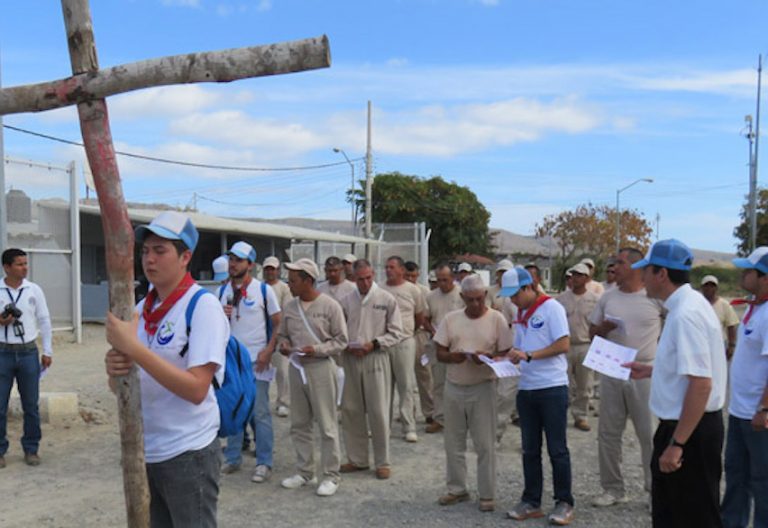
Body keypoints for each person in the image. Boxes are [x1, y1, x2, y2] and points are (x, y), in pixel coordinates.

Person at [105, 211, 228, 527]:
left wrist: (135, 350)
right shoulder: (138, 310)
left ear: (185, 256)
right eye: (146, 250)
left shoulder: (203, 307)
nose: (149, 259)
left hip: (189, 451)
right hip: (148, 451)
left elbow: (197, 389)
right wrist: (115, 370)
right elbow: (126, 385)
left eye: (160, 251)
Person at [625, 239, 727, 528]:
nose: (641, 277)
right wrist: (654, 371)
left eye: (646, 270)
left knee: (692, 517)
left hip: (688, 431)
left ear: (662, 274)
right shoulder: (690, 305)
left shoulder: (686, 315)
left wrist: (677, 443)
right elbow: (693, 370)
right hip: (688, 427)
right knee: (674, 513)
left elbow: (701, 384)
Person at [588, 247, 665, 507]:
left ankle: (656, 489)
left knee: (649, 433)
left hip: (644, 370)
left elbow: (673, 328)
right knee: (609, 433)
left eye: (619, 262)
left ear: (634, 266)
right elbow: (592, 333)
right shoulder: (607, 298)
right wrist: (602, 329)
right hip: (612, 367)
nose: (614, 267)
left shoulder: (654, 297)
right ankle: (612, 488)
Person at [502, 267, 574, 526]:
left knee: (557, 449)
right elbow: (523, 347)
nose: (511, 300)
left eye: (514, 294)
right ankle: (531, 500)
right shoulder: (521, 313)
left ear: (528, 287)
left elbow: (563, 344)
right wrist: (514, 353)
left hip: (552, 387)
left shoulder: (551, 308)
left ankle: (564, 501)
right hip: (527, 387)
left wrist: (530, 355)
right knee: (530, 449)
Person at [434, 274, 513, 513]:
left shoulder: (497, 319)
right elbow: (440, 353)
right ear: (462, 298)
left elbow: (507, 353)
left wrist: (487, 359)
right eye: (470, 300)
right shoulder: (451, 320)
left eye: (479, 299)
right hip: (454, 385)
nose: (476, 305)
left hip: (483, 386)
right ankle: (457, 488)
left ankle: (487, 493)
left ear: (486, 296)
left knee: (485, 443)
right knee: (453, 441)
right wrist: (455, 357)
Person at [277, 258, 348, 497]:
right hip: (296, 368)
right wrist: (284, 345)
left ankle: (330, 475)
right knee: (299, 423)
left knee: (327, 424)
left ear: (308, 280)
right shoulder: (289, 306)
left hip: (320, 368)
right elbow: (282, 335)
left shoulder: (330, 306)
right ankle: (305, 471)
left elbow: (341, 341)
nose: (289, 284)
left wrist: (316, 349)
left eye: (294, 280)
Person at [218, 242, 281, 484]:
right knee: (235, 408)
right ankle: (233, 458)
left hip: (257, 361)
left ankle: (264, 462)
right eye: (231, 259)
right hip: (233, 363)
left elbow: (277, 322)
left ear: (250, 265)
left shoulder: (263, 290)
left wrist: (269, 349)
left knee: (260, 411)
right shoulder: (222, 291)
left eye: (238, 260)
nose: (233, 264)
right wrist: (220, 317)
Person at [338, 259, 404, 480]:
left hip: (376, 357)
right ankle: (357, 459)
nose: (365, 283)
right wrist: (347, 344)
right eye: (360, 279)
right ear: (354, 278)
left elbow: (396, 332)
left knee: (378, 410)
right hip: (351, 358)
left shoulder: (386, 299)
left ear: (373, 275)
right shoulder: (346, 300)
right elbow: (339, 329)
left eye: (368, 278)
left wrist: (373, 344)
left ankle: (382, 461)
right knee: (351, 409)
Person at [720, 247, 768, 528]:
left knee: (762, 481)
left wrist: (764, 408)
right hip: (740, 411)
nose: (742, 274)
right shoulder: (754, 307)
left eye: (748, 271)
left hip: (759, 415)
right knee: (737, 475)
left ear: (764, 278)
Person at [0, 248, 53, 468]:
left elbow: (44, 319)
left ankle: (31, 448)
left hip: (28, 352)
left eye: (25, 263)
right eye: (20, 264)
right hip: (2, 352)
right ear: (7, 267)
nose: (25, 268)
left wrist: (47, 351)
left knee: (31, 404)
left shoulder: (34, 290)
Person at [381, 256, 427, 442]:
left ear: (401, 269)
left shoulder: (413, 290)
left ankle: (409, 426)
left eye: (392, 267)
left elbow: (419, 317)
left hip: (405, 341)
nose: (388, 270)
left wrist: (408, 332)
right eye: (386, 267)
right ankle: (383, 425)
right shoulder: (379, 289)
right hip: (384, 342)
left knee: (406, 385)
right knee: (383, 387)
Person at [556, 262, 599, 432]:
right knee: (562, 383)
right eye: (574, 274)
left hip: (585, 345)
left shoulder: (595, 300)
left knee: (584, 384)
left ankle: (581, 416)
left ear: (587, 278)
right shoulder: (561, 299)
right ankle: (559, 414)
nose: (576, 278)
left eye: (580, 275)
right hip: (564, 346)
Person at [424, 264, 465, 434]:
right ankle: (439, 418)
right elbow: (425, 319)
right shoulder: (431, 296)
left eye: (445, 280)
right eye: (439, 280)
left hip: (458, 344)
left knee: (460, 382)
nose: (442, 283)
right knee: (439, 383)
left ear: (453, 278)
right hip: (438, 344)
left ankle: (461, 419)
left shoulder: (462, 294)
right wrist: (434, 331)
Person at [405, 260, 434, 430]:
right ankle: (408, 412)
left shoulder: (424, 292)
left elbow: (426, 316)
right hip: (404, 335)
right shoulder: (399, 291)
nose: (410, 278)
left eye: (413, 275)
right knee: (405, 378)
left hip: (420, 334)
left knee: (424, 374)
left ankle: (429, 411)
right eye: (407, 275)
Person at [263, 256, 293, 418]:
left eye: (272, 269)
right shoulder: (259, 287)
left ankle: (283, 402)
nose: (270, 272)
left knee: (282, 371)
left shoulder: (284, 288)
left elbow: (286, 312)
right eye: (267, 268)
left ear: (278, 270)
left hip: (279, 334)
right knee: (262, 371)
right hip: (262, 334)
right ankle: (262, 402)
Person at [700, 275, 739, 360]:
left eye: (712, 285)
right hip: (700, 344)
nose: (709, 288)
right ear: (702, 288)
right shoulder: (696, 304)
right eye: (706, 285)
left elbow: (731, 326)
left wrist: (731, 346)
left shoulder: (724, 305)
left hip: (719, 345)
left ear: (716, 288)